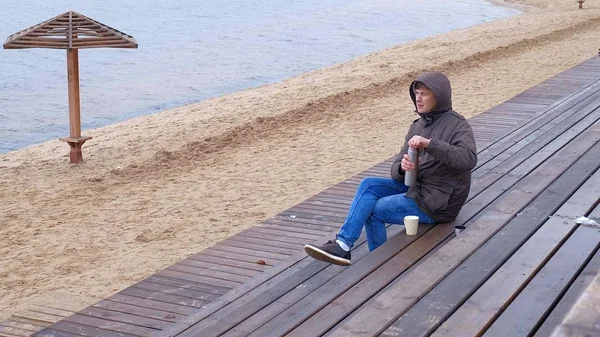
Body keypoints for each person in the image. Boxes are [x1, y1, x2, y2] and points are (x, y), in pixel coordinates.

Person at [304, 71, 477, 266]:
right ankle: (343, 244)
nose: (418, 99)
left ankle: (380, 264)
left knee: (375, 210)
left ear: (439, 95)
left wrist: (430, 144)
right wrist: (403, 168)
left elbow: (468, 159)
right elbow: (395, 170)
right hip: (418, 188)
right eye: (416, 93)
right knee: (368, 185)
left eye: (424, 93)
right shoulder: (417, 126)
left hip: (440, 202)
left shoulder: (458, 125)